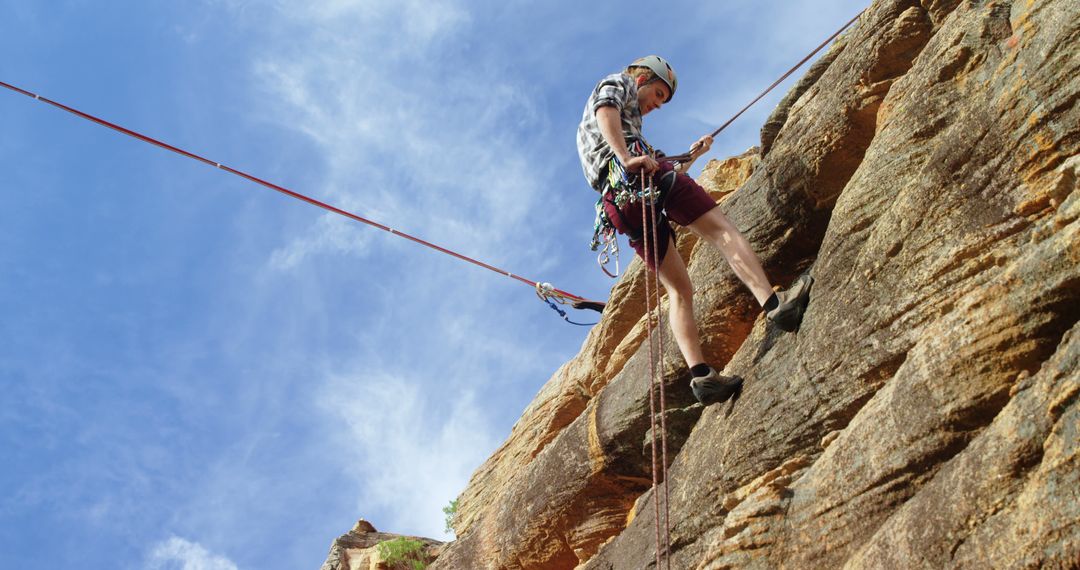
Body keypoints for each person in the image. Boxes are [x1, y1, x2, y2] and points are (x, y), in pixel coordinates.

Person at [576, 55, 813, 406]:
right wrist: (627, 158)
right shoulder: (618, 85)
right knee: (720, 229)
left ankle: (702, 377)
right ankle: (775, 304)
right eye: (657, 94)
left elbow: (661, 161)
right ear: (642, 79)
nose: (657, 104)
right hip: (636, 178)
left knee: (679, 288)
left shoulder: (629, 130)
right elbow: (606, 109)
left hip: (620, 203)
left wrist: (694, 155)